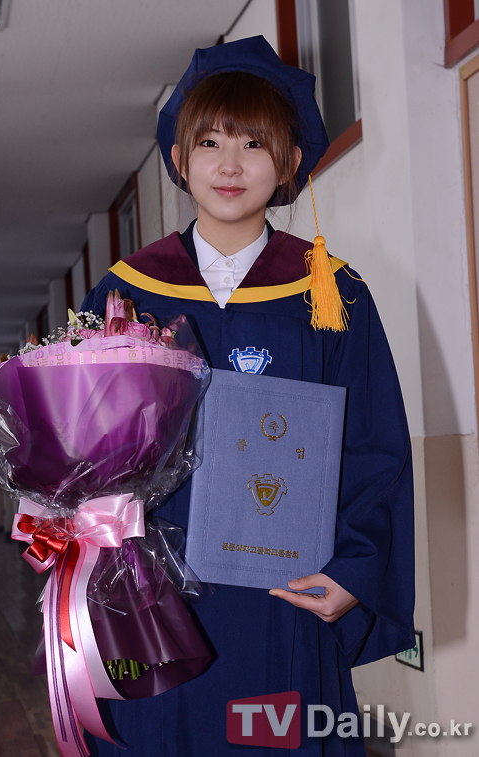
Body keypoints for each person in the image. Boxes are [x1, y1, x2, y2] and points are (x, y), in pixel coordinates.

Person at [81, 36, 415, 757]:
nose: (229, 165)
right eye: (210, 142)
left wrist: (354, 571)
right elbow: (84, 447)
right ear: (179, 158)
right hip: (153, 600)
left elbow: (375, 446)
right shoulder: (125, 294)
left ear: (290, 161)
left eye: (254, 144)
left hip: (283, 596)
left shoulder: (332, 294)